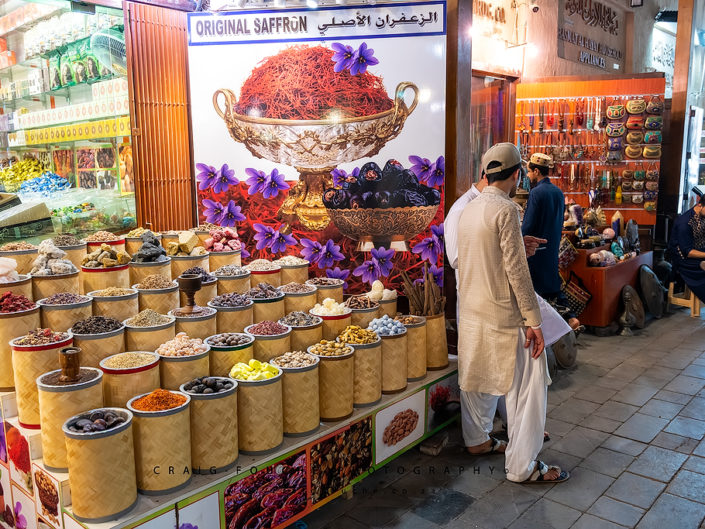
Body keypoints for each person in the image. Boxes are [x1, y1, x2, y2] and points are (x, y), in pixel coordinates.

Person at [457, 142, 569, 484]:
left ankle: (477, 440)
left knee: (478, 383)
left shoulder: (469, 210)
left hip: (474, 313)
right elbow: (517, 273)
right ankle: (523, 466)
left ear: (485, 174)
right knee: (529, 389)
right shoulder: (505, 210)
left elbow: (476, 259)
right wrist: (534, 322)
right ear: (518, 174)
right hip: (506, 317)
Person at [521, 153, 580, 330]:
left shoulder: (536, 193)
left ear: (536, 171)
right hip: (552, 245)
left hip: (536, 248)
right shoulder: (558, 192)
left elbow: (528, 225)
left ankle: (544, 327)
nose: (528, 176)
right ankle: (569, 317)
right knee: (552, 282)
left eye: (529, 172)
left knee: (535, 289)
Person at [668, 192, 705, 302]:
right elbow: (687, 252)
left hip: (699, 250)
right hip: (683, 258)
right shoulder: (685, 223)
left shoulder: (702, 215)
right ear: (699, 205)